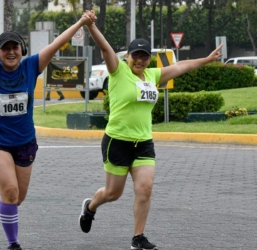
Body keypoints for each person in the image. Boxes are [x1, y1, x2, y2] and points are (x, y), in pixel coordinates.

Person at [0, 1, 94, 250]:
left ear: (22, 49)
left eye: (14, 47)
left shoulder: (31, 66)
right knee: (11, 192)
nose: (11, 52)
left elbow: (57, 43)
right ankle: (13, 244)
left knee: (15, 198)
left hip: (25, 143)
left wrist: (81, 23)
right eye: (5, 49)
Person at [78, 10, 223, 250]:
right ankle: (90, 207)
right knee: (113, 193)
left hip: (143, 142)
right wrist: (91, 25)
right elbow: (105, 49)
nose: (140, 60)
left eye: (144, 56)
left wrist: (206, 59)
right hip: (117, 141)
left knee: (144, 188)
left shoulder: (152, 75)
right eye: (136, 55)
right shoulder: (118, 71)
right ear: (128, 56)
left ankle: (138, 237)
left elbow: (181, 67)